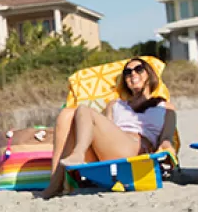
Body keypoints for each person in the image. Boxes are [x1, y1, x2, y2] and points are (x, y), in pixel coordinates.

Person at [42, 57, 177, 198]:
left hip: (135, 150)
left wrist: (167, 150)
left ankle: (78, 154)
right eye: (127, 72)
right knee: (67, 113)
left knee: (84, 110)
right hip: (108, 151)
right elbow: (101, 131)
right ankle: (55, 182)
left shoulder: (165, 107)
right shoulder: (115, 105)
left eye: (139, 69)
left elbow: (166, 138)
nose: (133, 74)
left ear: (149, 74)